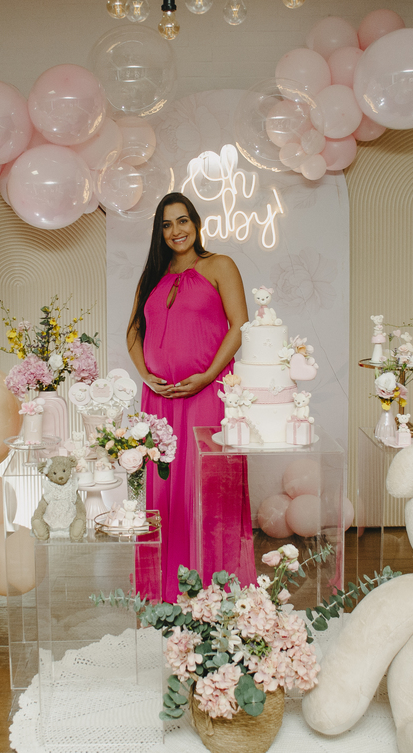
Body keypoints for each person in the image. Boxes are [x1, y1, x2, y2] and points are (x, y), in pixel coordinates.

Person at [127, 192, 251, 599]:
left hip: (207, 395)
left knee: (209, 489)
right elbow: (134, 332)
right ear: (159, 232)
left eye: (182, 221)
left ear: (196, 223)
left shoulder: (219, 266)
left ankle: (216, 589)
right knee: (164, 493)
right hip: (159, 403)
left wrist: (208, 376)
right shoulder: (152, 276)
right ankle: (165, 589)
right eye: (166, 225)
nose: (176, 231)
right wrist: (147, 376)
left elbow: (239, 326)